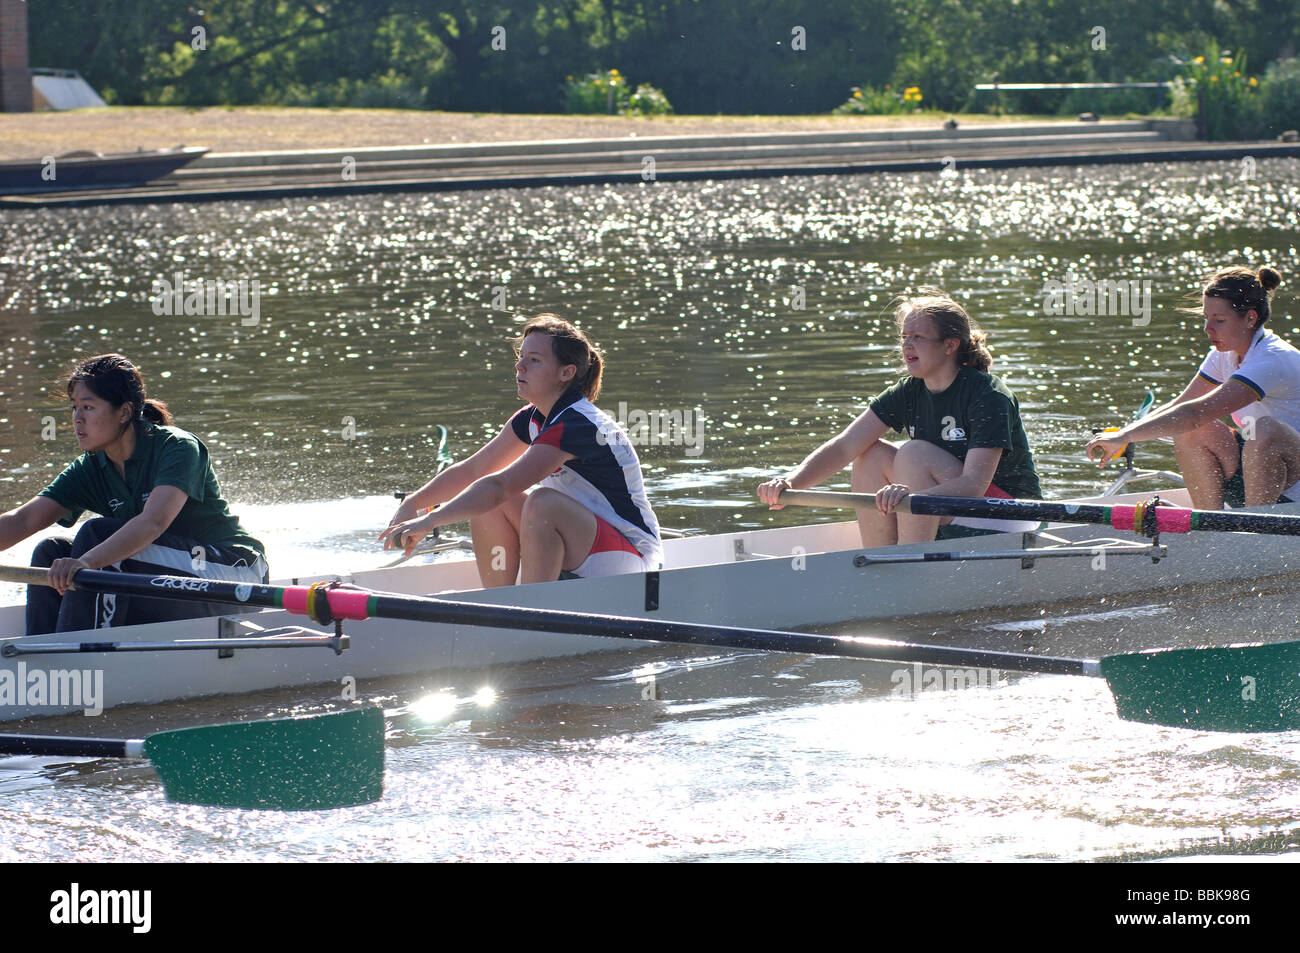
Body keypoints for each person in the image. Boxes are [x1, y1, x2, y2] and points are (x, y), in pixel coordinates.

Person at [382, 314, 662, 585]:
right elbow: (473, 470)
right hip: (586, 546)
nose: (520, 367)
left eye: (535, 360)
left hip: (632, 561)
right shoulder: (531, 418)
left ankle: (532, 612)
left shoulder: (577, 425)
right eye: (521, 358)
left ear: (566, 373)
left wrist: (428, 521)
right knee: (486, 495)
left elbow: (500, 486)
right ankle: (500, 603)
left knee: (539, 502)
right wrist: (412, 503)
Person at [0, 354, 267, 635]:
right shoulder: (91, 467)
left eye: (88, 407)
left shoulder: (177, 447)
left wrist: (88, 563)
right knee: (50, 552)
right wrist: (86, 563)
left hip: (233, 577)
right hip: (169, 578)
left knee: (97, 535)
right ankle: (40, 653)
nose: (77, 419)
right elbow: (22, 520)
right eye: (74, 407)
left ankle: (81, 656)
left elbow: (153, 523)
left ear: (125, 412)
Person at [756, 291, 1042, 546]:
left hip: (1010, 514)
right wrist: (791, 483)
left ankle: (910, 564)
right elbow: (845, 446)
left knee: (914, 454)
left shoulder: (988, 395)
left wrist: (913, 498)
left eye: (918, 337)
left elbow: (973, 484)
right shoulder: (908, 391)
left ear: (950, 345)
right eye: (904, 337)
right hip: (951, 505)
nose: (907, 346)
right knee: (870, 455)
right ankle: (880, 559)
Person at [1086, 266, 1297, 509]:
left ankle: (1255, 531)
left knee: (1264, 430)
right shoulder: (1223, 354)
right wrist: (1123, 436)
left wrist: (1125, 435)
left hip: (1293, 480)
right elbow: (1180, 406)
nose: (1207, 329)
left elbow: (1196, 413)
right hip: (1260, 474)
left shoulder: (1272, 359)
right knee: (1188, 429)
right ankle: (1210, 527)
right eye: (1206, 318)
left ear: (1250, 318)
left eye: (1219, 320)